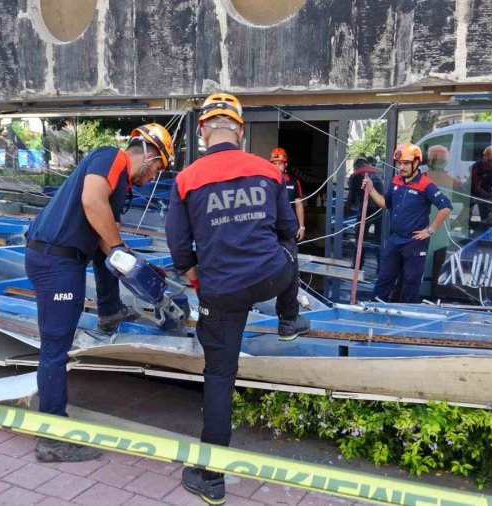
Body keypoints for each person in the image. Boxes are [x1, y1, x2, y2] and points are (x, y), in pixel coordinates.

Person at [166, 93, 310, 504]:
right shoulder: (267, 171)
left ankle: (211, 479)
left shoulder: (186, 178)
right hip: (271, 279)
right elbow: (287, 228)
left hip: (221, 293)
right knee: (288, 250)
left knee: (219, 378)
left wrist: (197, 277)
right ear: (241, 131)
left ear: (202, 131)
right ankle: (288, 319)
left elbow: (179, 245)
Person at [24, 123, 174, 462]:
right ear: (149, 155)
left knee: (112, 256)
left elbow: (108, 240)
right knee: (55, 350)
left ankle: (110, 310)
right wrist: (121, 251)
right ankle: (51, 438)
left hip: (61, 258)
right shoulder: (111, 158)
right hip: (55, 262)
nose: (153, 178)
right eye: (157, 170)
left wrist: (139, 268)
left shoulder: (119, 183)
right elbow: (92, 203)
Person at [362, 143, 453, 303]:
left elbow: (445, 207)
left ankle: (407, 320)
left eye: (405, 163)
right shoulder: (396, 180)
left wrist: (429, 231)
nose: (401, 167)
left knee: (411, 284)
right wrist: (371, 190)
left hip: (414, 243)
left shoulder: (426, 184)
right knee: (384, 279)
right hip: (395, 239)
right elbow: (385, 203)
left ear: (416, 163)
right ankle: (373, 315)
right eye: (399, 163)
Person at [270, 147, 306, 240]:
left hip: (289, 227)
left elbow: (299, 205)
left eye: (280, 164)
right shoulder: (266, 181)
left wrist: (302, 227)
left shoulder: (293, 182)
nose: (277, 166)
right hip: (271, 227)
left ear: (285, 164)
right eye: (274, 164)